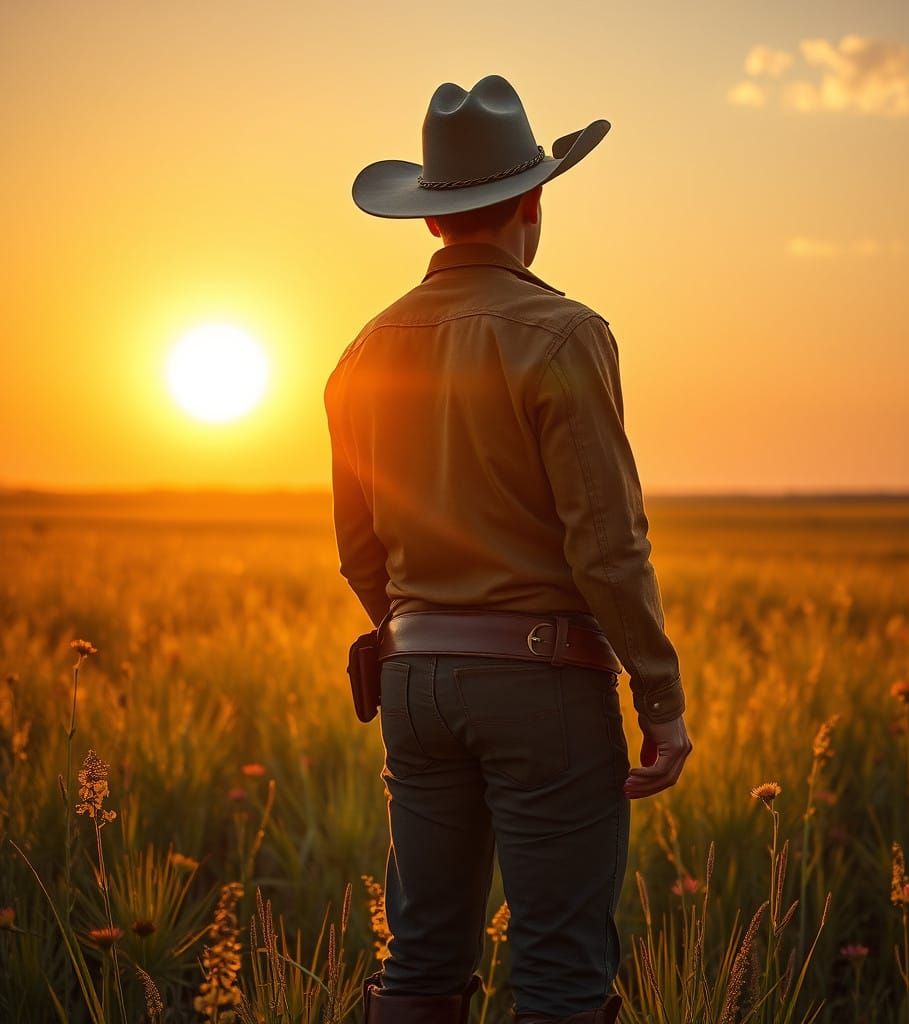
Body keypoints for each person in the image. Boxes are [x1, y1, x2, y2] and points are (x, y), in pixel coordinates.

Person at [325, 73, 693, 1024]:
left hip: (411, 681)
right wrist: (660, 697)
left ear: (434, 219)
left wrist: (431, 634)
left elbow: (360, 550)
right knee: (562, 975)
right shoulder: (565, 335)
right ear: (533, 199)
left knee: (420, 965)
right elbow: (608, 548)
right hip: (543, 686)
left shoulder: (362, 353)